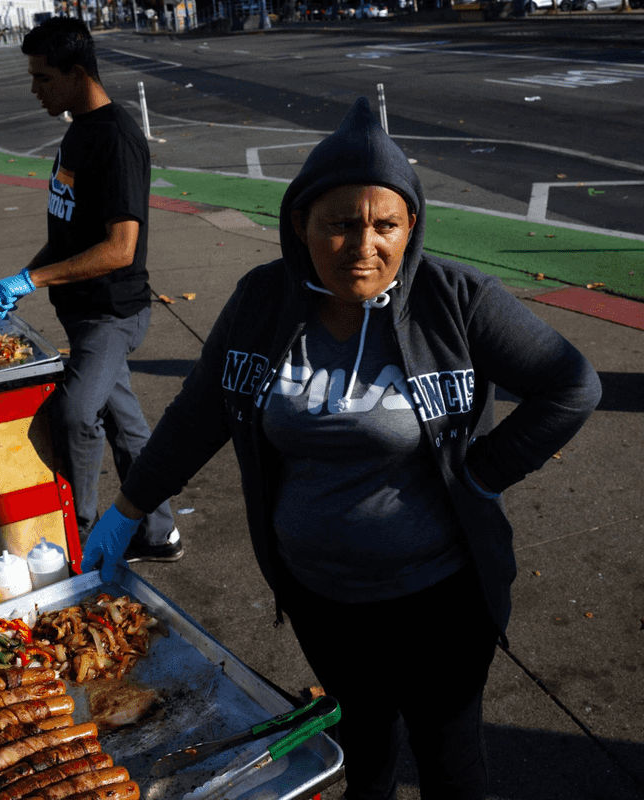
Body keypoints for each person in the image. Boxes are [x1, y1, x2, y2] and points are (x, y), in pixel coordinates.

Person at [81, 97, 601, 799]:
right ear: (301, 224)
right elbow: (197, 415)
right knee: (364, 752)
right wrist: (128, 508)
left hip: (441, 600)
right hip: (320, 597)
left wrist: (482, 472)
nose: (364, 246)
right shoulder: (261, 303)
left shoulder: (455, 299)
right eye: (341, 224)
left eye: (386, 225)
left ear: (411, 225)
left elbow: (571, 386)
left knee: (451, 763)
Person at [0, 17, 180, 563]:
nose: (34, 89)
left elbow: (119, 248)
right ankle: (159, 533)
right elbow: (68, 233)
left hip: (111, 313)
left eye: (43, 78)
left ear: (77, 73)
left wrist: (33, 279)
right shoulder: (77, 131)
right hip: (82, 311)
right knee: (126, 424)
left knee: (73, 415)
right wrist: (22, 278)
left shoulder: (115, 139)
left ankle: (81, 538)